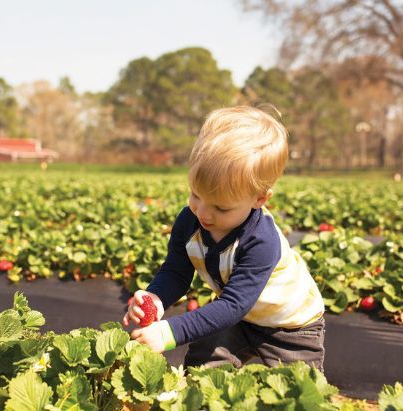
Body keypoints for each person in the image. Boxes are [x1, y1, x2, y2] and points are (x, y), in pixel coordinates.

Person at [122, 105, 326, 372]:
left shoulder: (261, 242)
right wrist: (156, 298)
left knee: (299, 391)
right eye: (196, 194)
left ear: (259, 199)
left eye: (221, 207)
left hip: (291, 326)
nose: (203, 212)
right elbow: (175, 272)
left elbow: (233, 304)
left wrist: (168, 333)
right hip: (239, 318)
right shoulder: (189, 221)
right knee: (204, 361)